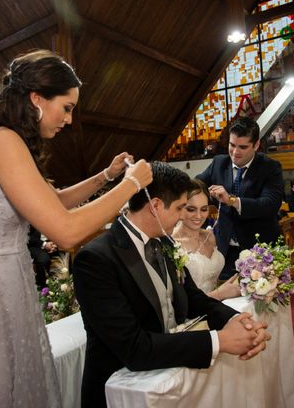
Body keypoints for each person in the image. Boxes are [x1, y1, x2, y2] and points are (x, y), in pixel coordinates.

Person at [0, 49, 153, 408]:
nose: (69, 119)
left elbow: (55, 201)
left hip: (3, 279)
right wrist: (130, 185)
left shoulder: (7, 141)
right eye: (66, 107)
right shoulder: (2, 141)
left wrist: (107, 176)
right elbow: (64, 231)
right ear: (36, 99)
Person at [73, 161, 271, 408]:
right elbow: (134, 348)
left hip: (165, 378)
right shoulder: (95, 259)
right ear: (155, 206)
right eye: (179, 208)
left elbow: (193, 298)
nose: (181, 216)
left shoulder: (163, 243)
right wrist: (219, 341)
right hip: (120, 390)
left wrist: (236, 320)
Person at [196, 117, 284, 279]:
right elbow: (197, 184)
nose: (235, 152)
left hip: (258, 251)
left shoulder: (270, 167)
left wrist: (231, 200)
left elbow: (270, 204)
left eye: (243, 147)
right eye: (232, 145)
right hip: (225, 250)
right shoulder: (218, 163)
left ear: (256, 145)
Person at [172, 179, 241, 300]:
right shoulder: (172, 242)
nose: (199, 216)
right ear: (180, 207)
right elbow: (177, 300)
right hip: (193, 314)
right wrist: (220, 294)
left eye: (203, 209)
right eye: (191, 209)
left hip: (218, 305)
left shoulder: (209, 236)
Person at [27, 225, 59, 289]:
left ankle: (64, 284)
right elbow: (28, 237)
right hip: (34, 245)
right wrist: (44, 244)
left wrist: (54, 244)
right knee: (43, 259)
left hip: (50, 242)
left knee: (67, 253)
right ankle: (44, 288)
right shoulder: (30, 217)